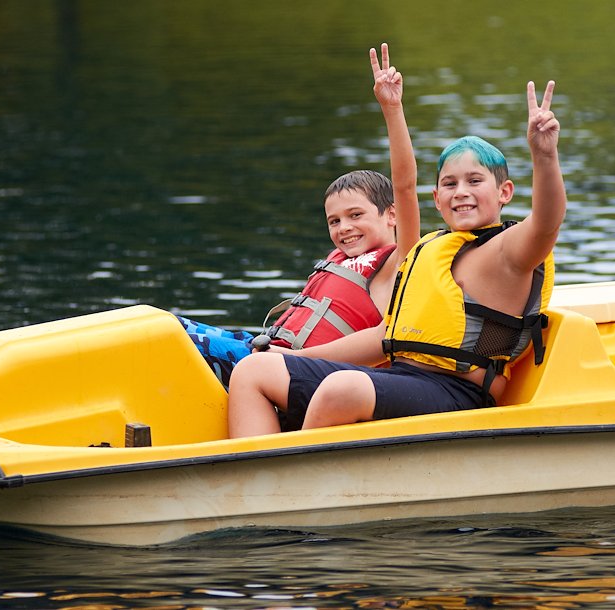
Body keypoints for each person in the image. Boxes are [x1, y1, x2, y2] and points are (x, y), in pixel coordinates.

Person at [227, 71, 565, 438]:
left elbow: (547, 222)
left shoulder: (509, 252)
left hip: (460, 393)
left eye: (474, 180)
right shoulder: (426, 253)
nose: (460, 192)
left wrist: (544, 155)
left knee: (341, 389)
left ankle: (294, 472)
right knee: (253, 370)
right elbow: (384, 336)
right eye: (449, 184)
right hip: (402, 379)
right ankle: (257, 469)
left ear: (504, 192)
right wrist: (292, 358)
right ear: (437, 198)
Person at [179, 43, 419, 387]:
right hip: (263, 350)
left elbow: (405, 186)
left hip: (295, 372)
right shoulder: (342, 260)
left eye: (355, 215)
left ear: (391, 214)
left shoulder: (397, 265)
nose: (344, 228)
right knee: (164, 324)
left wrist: (392, 108)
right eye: (334, 221)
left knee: (168, 339)